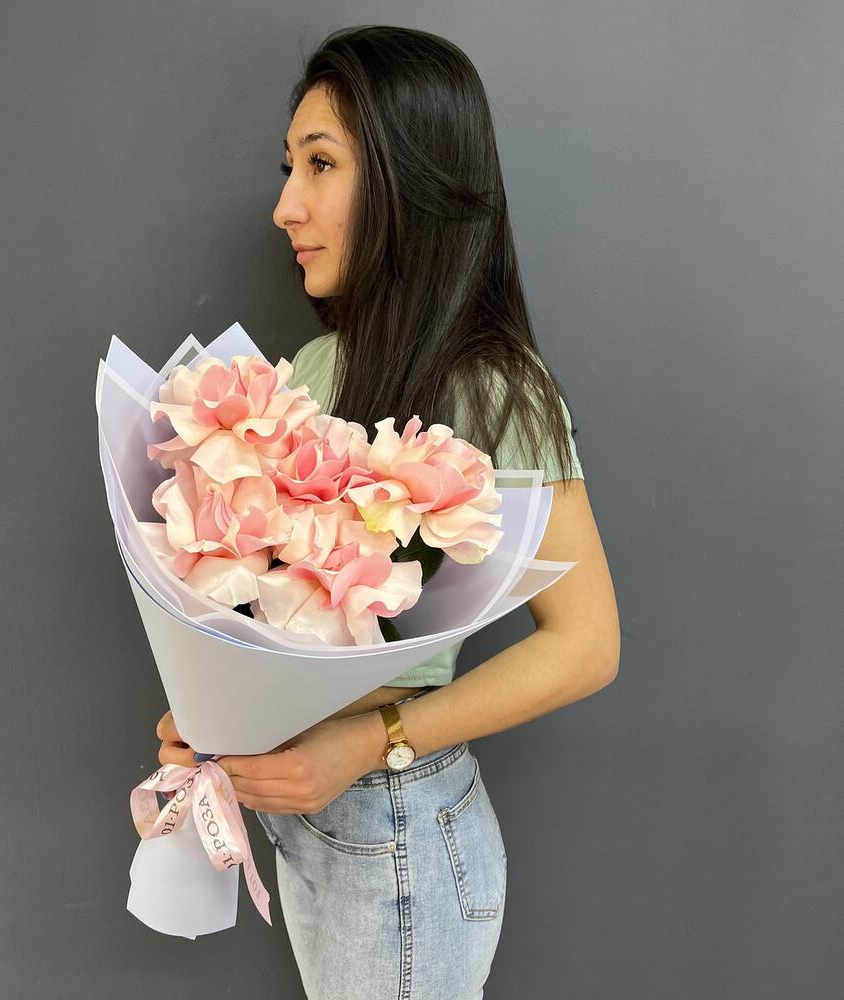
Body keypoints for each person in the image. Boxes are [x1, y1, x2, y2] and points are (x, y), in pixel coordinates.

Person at [156, 24, 620, 1000]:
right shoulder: (309, 372)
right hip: (312, 829)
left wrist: (375, 740)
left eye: (320, 164)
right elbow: (278, 618)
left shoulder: (492, 387)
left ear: (410, 179)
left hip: (397, 835)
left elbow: (586, 645)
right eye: (289, 167)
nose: (285, 206)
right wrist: (213, 716)